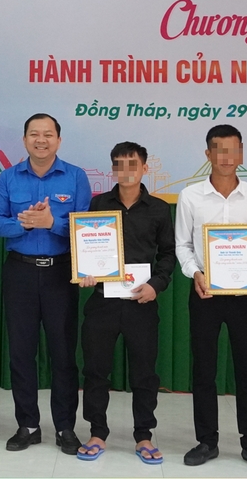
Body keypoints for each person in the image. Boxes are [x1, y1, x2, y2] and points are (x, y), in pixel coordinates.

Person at [174, 124, 247, 471]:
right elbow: (182, 246)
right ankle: (207, 440)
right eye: (219, 150)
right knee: (204, 369)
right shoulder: (190, 196)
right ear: (208, 154)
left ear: (241, 154)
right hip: (205, 292)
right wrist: (196, 274)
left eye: (233, 150)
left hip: (246, 295)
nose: (226, 158)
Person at [0, 113, 90, 455]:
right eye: (34, 134)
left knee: (63, 353)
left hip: (60, 274)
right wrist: (25, 225)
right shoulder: (8, 177)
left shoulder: (75, 177)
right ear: (24, 140)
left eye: (48, 134)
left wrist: (51, 223)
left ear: (58, 140)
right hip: (20, 272)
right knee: (21, 352)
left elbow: (86, 228)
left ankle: (65, 427)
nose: (41, 140)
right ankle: (28, 425)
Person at [75, 142, 175, 464]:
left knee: (145, 374)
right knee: (95, 371)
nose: (126, 171)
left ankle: (144, 436)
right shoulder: (98, 204)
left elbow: (168, 255)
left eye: (133, 164)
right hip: (102, 302)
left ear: (144, 168)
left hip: (141, 303)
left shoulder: (159, 209)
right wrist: (85, 272)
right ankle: (97, 433)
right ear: (113, 169)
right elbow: (85, 245)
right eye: (119, 164)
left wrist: (156, 286)